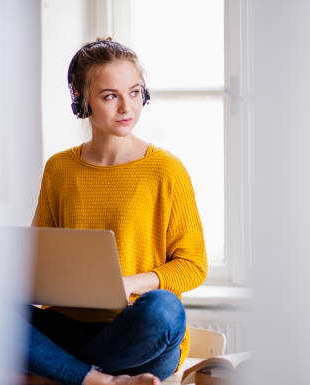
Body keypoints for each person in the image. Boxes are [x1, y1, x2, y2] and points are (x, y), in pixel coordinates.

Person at [27, 38, 207, 385]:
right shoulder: (59, 169)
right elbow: (40, 256)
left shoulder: (166, 170)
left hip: (139, 332)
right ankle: (103, 381)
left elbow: (193, 265)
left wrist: (128, 284)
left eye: (135, 92)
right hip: (71, 326)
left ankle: (61, 370)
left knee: (165, 309)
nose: (127, 106)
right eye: (110, 95)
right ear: (82, 102)